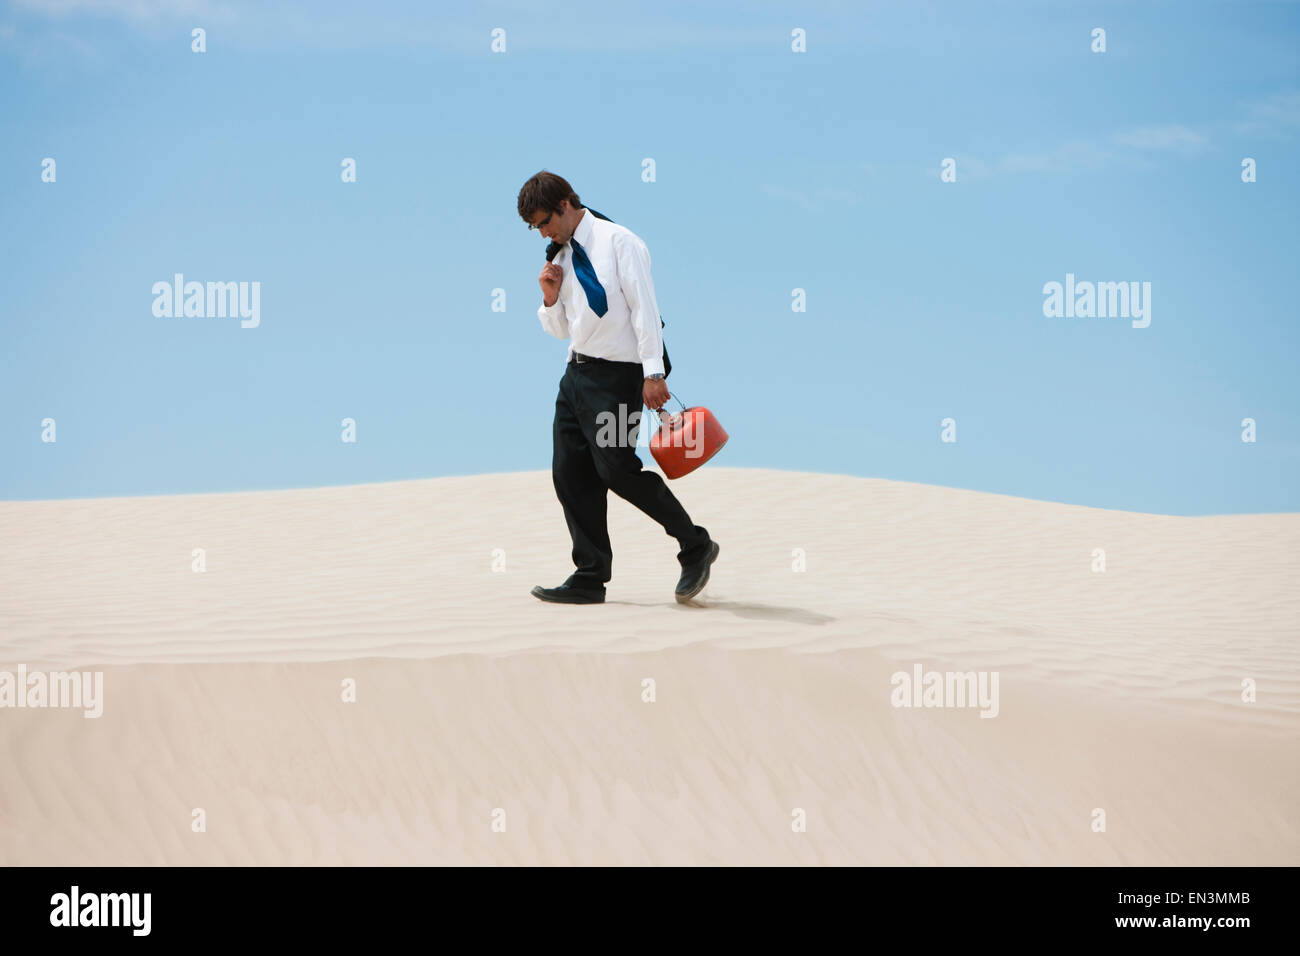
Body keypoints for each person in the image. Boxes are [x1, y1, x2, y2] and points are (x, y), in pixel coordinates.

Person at [517, 170, 719, 605]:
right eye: (535, 228)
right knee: (569, 473)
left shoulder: (619, 242)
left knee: (616, 470)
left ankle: (695, 544)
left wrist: (653, 373)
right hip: (575, 379)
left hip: (617, 378)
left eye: (543, 222)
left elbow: (644, 309)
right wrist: (549, 298)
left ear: (565, 205)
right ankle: (590, 576)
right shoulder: (562, 259)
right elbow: (561, 331)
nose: (542, 233)